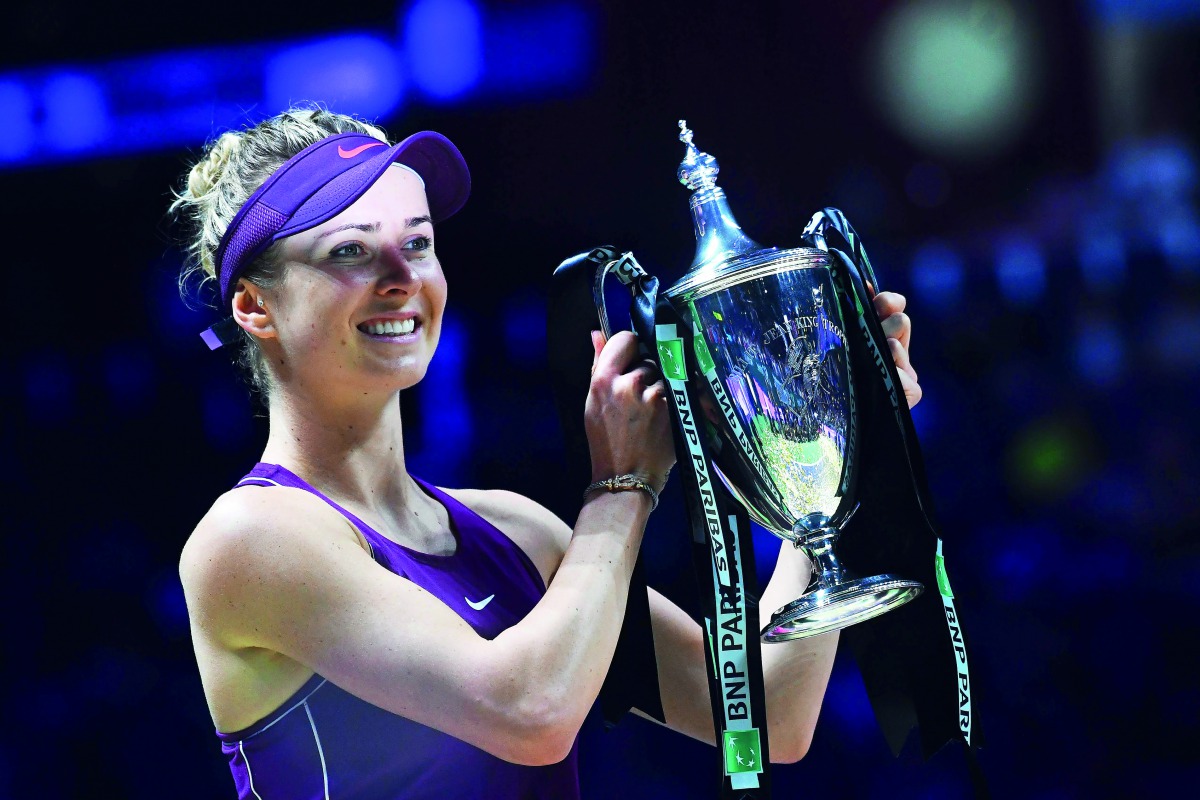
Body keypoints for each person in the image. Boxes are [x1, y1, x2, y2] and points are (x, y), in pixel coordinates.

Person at [172, 107, 923, 799]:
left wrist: (829, 437)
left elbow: (766, 721)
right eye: (351, 251)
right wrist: (624, 486)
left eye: (418, 243)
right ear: (254, 306)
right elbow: (530, 714)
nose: (401, 279)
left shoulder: (515, 532)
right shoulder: (250, 540)